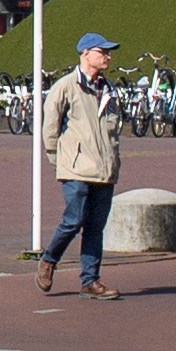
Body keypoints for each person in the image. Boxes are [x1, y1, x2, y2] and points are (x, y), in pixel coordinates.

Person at [38, 31, 128, 294]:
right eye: (103, 52)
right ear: (86, 54)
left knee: (95, 226)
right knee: (73, 219)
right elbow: (50, 128)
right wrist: (59, 161)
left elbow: (113, 130)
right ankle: (49, 260)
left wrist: (114, 161)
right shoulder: (66, 87)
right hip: (75, 168)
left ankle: (90, 280)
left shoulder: (109, 90)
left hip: (105, 169)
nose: (108, 57)